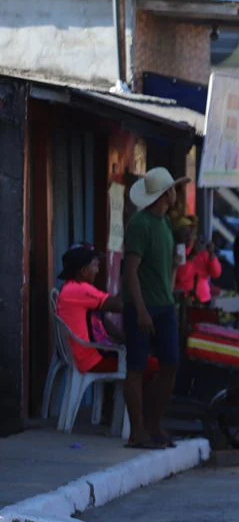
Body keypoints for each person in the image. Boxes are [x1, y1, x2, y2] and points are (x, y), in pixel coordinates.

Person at [121, 167, 186, 449]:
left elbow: (162, 269)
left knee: (170, 364)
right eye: (173, 189)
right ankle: (138, 431)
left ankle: (153, 425)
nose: (176, 193)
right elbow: (130, 271)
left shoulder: (163, 224)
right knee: (135, 367)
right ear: (165, 194)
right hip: (144, 307)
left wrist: (175, 269)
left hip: (164, 304)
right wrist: (141, 310)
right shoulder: (140, 224)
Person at [57, 244, 125, 374]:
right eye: (95, 265)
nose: (97, 270)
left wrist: (123, 338)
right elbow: (119, 305)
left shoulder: (72, 288)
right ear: (83, 271)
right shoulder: (79, 289)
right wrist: (129, 277)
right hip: (91, 359)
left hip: (88, 356)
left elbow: (102, 321)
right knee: (149, 365)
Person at [173, 226, 222, 305]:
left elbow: (216, 274)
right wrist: (193, 256)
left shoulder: (204, 253)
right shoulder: (180, 250)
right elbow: (180, 276)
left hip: (203, 298)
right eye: (187, 235)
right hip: (185, 299)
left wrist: (212, 255)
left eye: (193, 235)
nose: (191, 238)